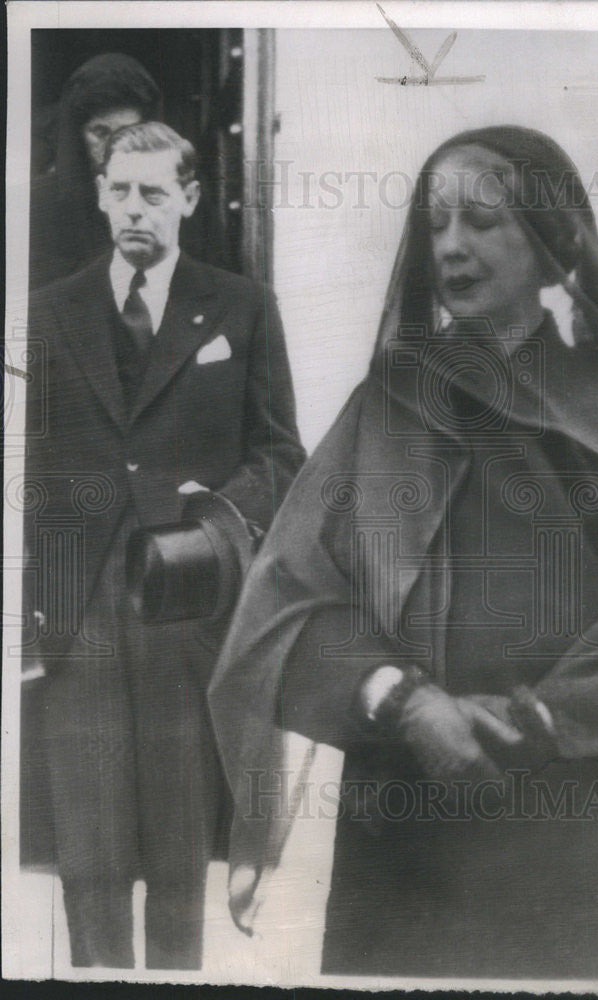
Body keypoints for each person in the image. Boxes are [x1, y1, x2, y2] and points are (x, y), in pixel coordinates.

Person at [209, 125, 598, 981]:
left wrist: (537, 719)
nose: (451, 246)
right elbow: (290, 600)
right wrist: (402, 699)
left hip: (589, 826)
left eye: (483, 221)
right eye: (436, 223)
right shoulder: (391, 405)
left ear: (550, 236)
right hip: (409, 833)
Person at [23, 121, 305, 968]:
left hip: (185, 605)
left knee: (180, 852)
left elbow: (281, 454)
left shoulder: (242, 306)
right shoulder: (48, 311)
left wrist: (216, 510)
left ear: (188, 197)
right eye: (119, 190)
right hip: (80, 611)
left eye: (153, 192)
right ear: (100, 194)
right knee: (91, 854)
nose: (134, 209)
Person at [29, 52, 224, 289]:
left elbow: (215, 291)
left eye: (130, 130)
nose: (113, 146)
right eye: (100, 132)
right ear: (78, 136)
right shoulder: (38, 207)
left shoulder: (181, 196)